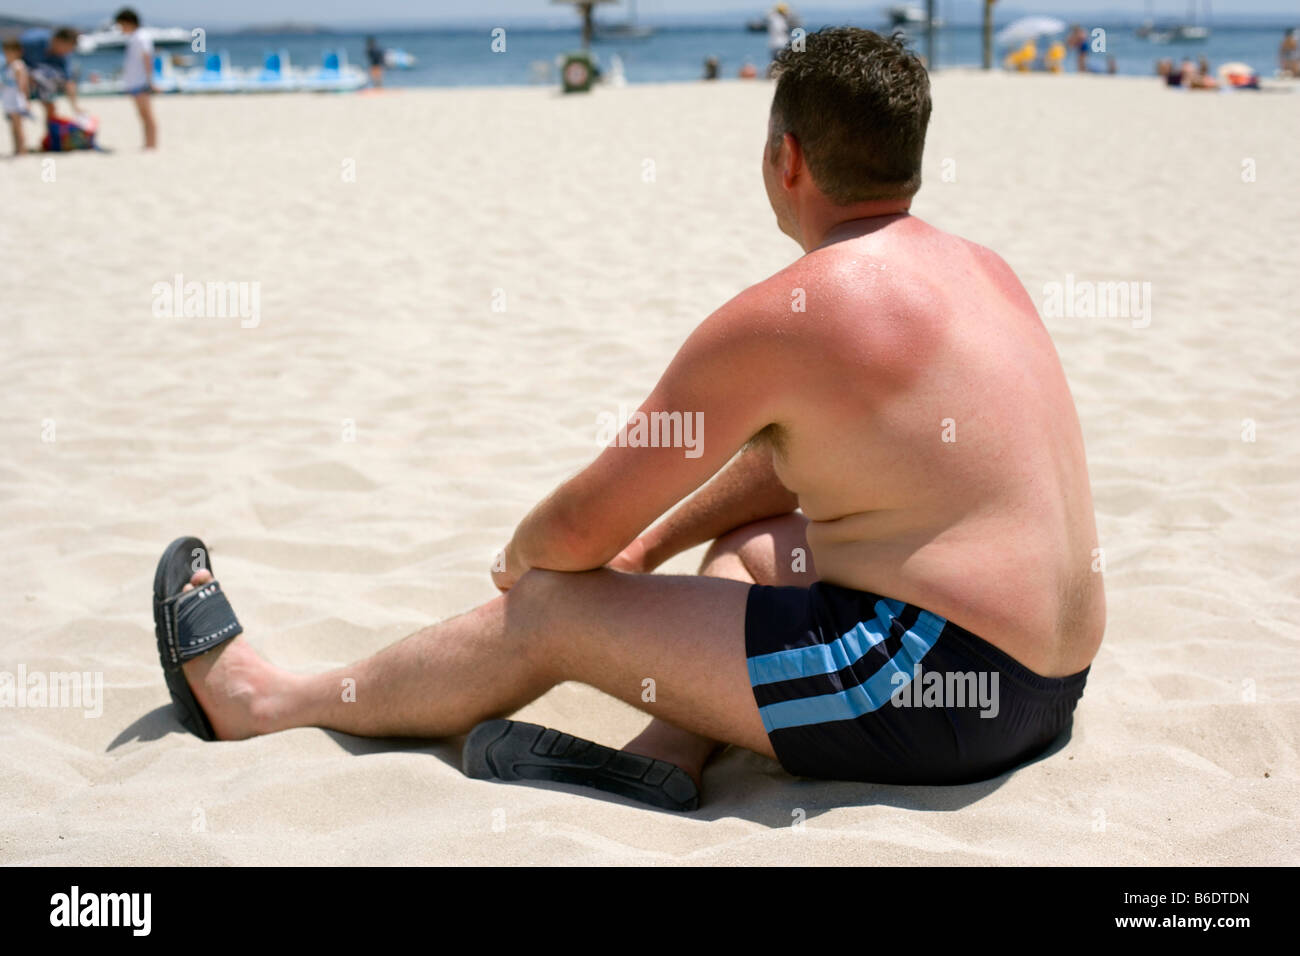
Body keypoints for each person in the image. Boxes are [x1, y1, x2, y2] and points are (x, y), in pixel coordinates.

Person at [149, 28, 1104, 809]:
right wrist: (650, 546)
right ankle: (670, 750)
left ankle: (264, 703)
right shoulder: (986, 271)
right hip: (1049, 685)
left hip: (930, 692)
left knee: (554, 611)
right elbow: (793, 470)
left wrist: (531, 561)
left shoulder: (793, 313)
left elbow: (572, 535)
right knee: (767, 540)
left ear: (787, 158)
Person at [114, 8, 156, 149]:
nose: (120, 29)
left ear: (129, 22)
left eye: (121, 25)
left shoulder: (141, 37)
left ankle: (151, 144)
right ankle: (148, 143)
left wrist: (150, 81)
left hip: (141, 81)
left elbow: (147, 58)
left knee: (147, 115)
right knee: (143, 115)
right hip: (136, 81)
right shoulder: (135, 37)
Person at [23, 26, 80, 128]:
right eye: (68, 48)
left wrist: (75, 107)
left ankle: (50, 137)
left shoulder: (63, 56)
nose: (68, 52)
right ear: (58, 40)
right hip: (21, 72)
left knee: (51, 106)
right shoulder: (33, 40)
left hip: (41, 80)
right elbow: (9, 51)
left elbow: (69, 81)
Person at [2, 36, 30, 155]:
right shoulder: (6, 66)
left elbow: (23, 84)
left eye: (10, 51)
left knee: (18, 126)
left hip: (16, 98)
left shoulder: (17, 65)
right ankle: (17, 149)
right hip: (8, 97)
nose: (7, 54)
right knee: (13, 125)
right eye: (6, 52)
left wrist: (26, 99)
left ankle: (22, 149)